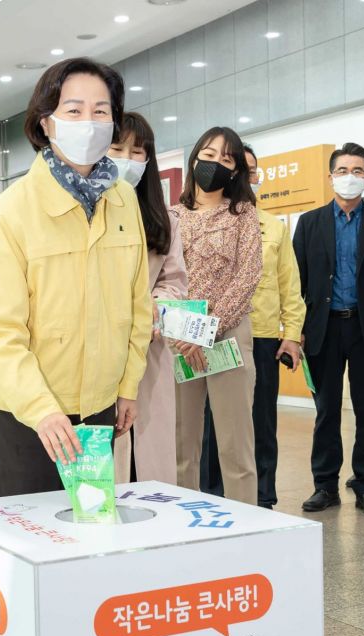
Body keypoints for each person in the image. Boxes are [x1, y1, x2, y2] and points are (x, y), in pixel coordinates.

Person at [0, 57, 152, 497]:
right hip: (26, 410)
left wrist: (128, 387)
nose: (88, 122)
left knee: (90, 520)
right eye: (73, 110)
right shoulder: (9, 212)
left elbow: (138, 307)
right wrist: (41, 409)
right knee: (32, 526)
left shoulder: (124, 200)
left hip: (100, 405)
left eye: (100, 111)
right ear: (45, 122)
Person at [293, 142, 364, 517]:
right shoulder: (309, 223)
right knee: (326, 412)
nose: (350, 177)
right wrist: (296, 330)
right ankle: (325, 486)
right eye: (342, 171)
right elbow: (296, 284)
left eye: (358, 171)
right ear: (330, 177)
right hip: (322, 330)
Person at [198, 146, 306, 508]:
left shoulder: (273, 227)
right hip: (212, 333)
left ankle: (261, 498)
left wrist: (291, 335)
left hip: (260, 337)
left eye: (252, 170)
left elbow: (290, 284)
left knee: (260, 421)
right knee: (212, 423)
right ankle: (212, 494)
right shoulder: (201, 220)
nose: (247, 175)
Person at [171, 127, 262, 505]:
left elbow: (248, 275)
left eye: (226, 159)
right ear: (194, 158)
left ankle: (246, 522)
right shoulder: (171, 216)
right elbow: (159, 279)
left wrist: (206, 329)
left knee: (235, 443)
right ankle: (181, 516)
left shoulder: (243, 214)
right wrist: (184, 332)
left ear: (236, 169)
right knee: (181, 442)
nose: (215, 164)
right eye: (208, 155)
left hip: (227, 334)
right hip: (178, 338)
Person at [108, 112, 188, 484]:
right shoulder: (85, 213)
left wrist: (156, 304)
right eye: (116, 148)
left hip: (148, 349)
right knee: (108, 452)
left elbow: (174, 280)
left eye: (137, 152)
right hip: (101, 348)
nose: (127, 159)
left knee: (150, 451)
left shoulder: (164, 218)